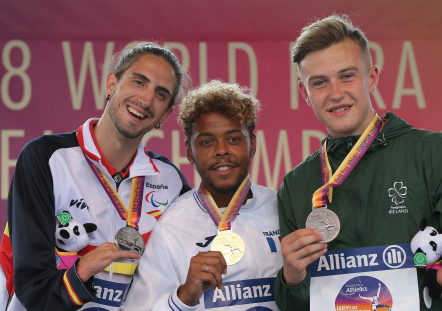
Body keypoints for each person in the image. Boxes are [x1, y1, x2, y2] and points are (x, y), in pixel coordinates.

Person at [0, 41, 191, 311]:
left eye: (161, 94)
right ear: (111, 84)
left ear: (166, 114)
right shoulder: (45, 158)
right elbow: (31, 285)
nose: (146, 100)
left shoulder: (170, 181)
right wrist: (81, 271)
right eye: (138, 82)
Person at [274, 14, 442, 310]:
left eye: (347, 76)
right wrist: (291, 279)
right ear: (305, 93)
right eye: (320, 82)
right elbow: (297, 305)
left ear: (372, 78)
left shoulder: (432, 153)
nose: (336, 93)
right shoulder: (295, 185)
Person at [122, 80, 283, 311]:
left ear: (253, 144)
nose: (221, 150)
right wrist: (184, 296)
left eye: (234, 139)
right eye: (207, 142)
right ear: (189, 152)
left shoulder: (280, 207)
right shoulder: (171, 226)